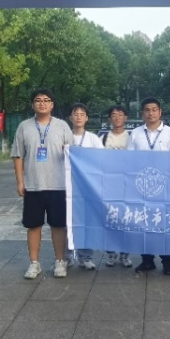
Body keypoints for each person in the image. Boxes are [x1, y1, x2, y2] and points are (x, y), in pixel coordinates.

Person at [12, 88, 73, 279]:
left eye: (46, 100)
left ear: (52, 105)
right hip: (33, 185)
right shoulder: (24, 127)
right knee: (33, 226)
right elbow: (18, 155)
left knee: (58, 226)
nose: (42, 103)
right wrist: (20, 181)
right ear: (33, 104)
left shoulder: (62, 126)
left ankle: (60, 261)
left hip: (58, 185)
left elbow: (73, 154)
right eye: (38, 100)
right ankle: (34, 263)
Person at [127, 97, 170, 275]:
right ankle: (147, 260)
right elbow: (130, 160)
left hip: (164, 186)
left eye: (154, 109)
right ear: (142, 113)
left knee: (164, 224)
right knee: (144, 225)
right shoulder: (135, 133)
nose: (150, 113)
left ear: (160, 112)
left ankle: (167, 261)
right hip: (141, 186)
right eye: (147, 110)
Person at [68, 102, 104, 271]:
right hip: (67, 186)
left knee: (87, 222)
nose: (78, 117)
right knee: (67, 222)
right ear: (70, 117)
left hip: (88, 187)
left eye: (82, 114)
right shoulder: (64, 137)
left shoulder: (93, 139)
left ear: (87, 118)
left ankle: (85, 257)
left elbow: (101, 160)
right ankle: (67, 256)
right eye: (75, 114)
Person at [102, 105, 133, 268]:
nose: (117, 117)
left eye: (120, 114)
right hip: (109, 186)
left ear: (126, 117)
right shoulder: (103, 138)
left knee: (126, 220)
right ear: (109, 119)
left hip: (128, 186)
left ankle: (125, 255)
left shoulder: (132, 137)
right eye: (114, 115)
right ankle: (111, 254)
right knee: (110, 220)